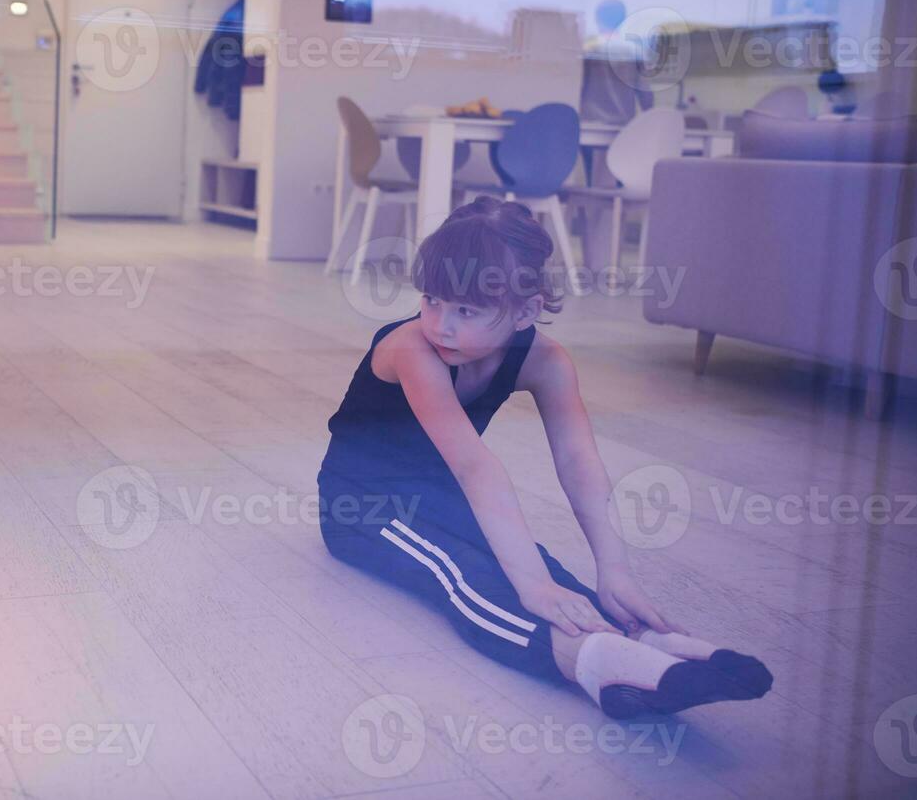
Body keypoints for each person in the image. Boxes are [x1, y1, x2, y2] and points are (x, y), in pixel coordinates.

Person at [318, 197, 772, 718]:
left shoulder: (546, 360)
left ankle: (640, 637)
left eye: (466, 310)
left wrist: (613, 570)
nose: (440, 324)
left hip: (442, 497)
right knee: (460, 573)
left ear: (527, 311)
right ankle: (588, 658)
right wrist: (530, 585)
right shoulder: (411, 350)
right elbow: (475, 466)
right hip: (363, 508)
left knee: (547, 574)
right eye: (432, 300)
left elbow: (579, 462)